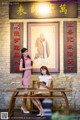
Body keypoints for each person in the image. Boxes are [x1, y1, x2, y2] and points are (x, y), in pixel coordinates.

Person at [19, 48, 32, 113]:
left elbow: (30, 65)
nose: (27, 52)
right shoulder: (22, 59)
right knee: (25, 92)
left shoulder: (29, 58)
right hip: (25, 76)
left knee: (26, 92)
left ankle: (23, 106)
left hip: (29, 76)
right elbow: (20, 69)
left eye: (27, 51)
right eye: (25, 52)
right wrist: (28, 68)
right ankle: (24, 108)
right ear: (22, 53)